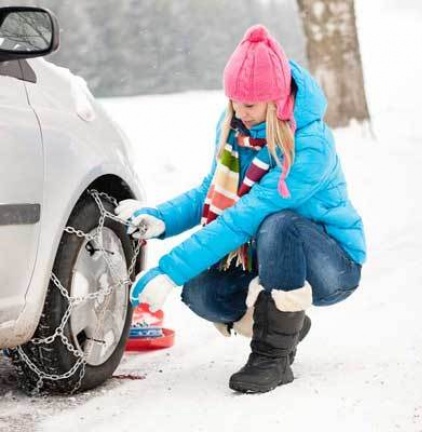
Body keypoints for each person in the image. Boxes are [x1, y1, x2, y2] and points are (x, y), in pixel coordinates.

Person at [116, 24, 366, 394]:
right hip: (269, 258)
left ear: (276, 99)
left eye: (248, 103)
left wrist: (169, 270)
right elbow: (210, 191)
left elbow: (245, 216)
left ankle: (272, 358)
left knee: (279, 223)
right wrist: (162, 219)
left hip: (330, 265)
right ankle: (284, 322)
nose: (238, 110)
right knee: (201, 290)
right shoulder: (235, 125)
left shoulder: (309, 146)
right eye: (233, 100)